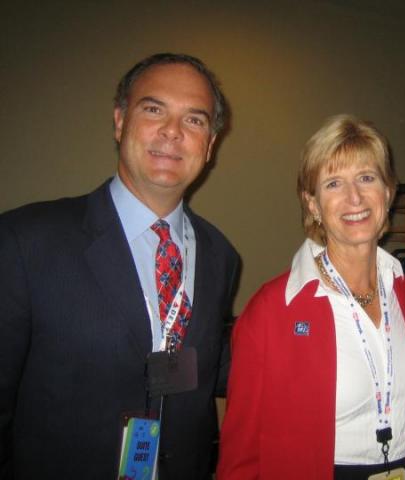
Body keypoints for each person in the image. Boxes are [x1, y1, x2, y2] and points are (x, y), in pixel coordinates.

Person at [0, 53, 240, 479]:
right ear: (119, 121)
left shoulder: (221, 254)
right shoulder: (24, 241)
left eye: (195, 120)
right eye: (153, 109)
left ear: (210, 145)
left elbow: (211, 364)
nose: (172, 132)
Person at [217, 114, 405, 479]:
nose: (355, 197)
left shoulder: (402, 289)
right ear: (312, 203)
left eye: (367, 177)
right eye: (333, 183)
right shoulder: (271, 310)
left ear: (389, 192)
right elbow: (241, 452)